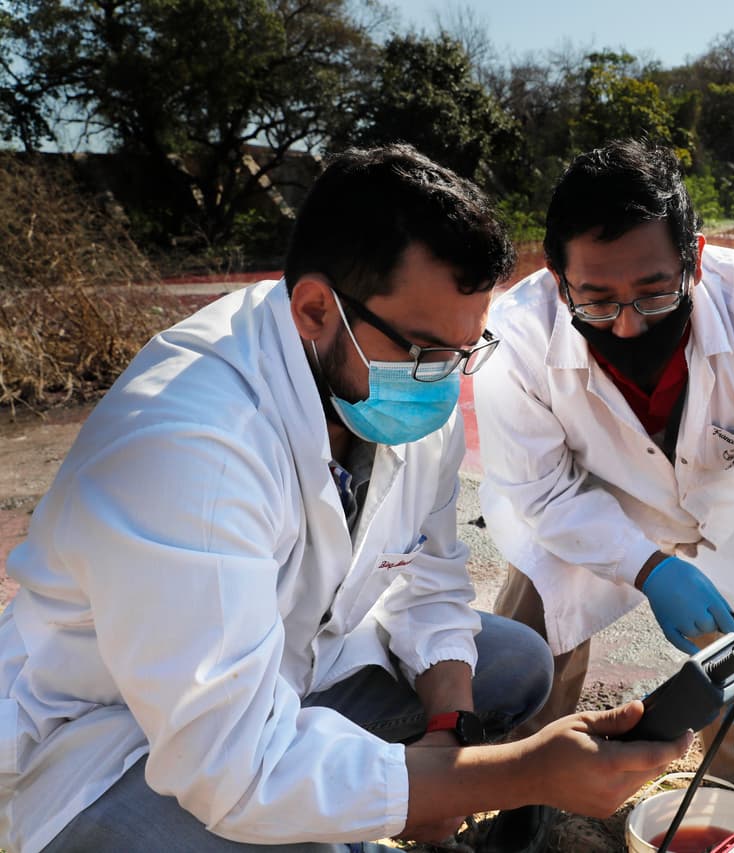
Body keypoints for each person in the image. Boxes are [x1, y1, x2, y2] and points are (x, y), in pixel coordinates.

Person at [0, 144, 689, 853]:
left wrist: (448, 738)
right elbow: (231, 770)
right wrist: (510, 774)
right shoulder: (188, 445)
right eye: (424, 351)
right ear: (313, 309)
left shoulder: (404, 383)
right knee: (304, 833)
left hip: (288, 672)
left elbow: (431, 577)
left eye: (464, 349)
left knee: (512, 665)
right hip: (112, 739)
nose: (444, 383)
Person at [474, 138, 734, 830]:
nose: (626, 323)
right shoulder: (514, 340)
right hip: (578, 498)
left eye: (654, 292)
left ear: (695, 259)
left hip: (721, 492)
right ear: (559, 280)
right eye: (596, 299)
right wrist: (647, 568)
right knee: (537, 623)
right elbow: (538, 490)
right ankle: (522, 785)